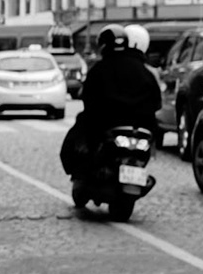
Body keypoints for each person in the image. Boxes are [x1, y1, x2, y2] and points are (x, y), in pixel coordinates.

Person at [61, 23, 161, 175]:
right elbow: (156, 102)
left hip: (106, 124)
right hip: (141, 126)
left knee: (76, 140)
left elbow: (88, 98)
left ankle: (82, 173)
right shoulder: (145, 71)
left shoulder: (99, 69)